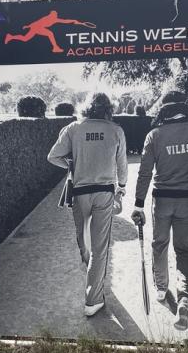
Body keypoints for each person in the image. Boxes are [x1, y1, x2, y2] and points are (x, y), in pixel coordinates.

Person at [131, 91, 188, 331]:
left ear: (164, 109)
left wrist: (138, 204)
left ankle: (161, 289)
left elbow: (144, 173)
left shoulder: (154, 135)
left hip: (162, 200)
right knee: (184, 250)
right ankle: (184, 298)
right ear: (185, 107)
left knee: (159, 244)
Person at [48, 93, 128, 317]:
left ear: (87, 107)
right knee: (99, 249)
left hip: (80, 193)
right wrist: (122, 187)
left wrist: (72, 164)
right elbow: (122, 164)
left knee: (84, 241)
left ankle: (93, 278)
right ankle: (93, 300)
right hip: (104, 193)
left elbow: (53, 156)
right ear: (108, 108)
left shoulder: (73, 128)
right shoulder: (116, 130)